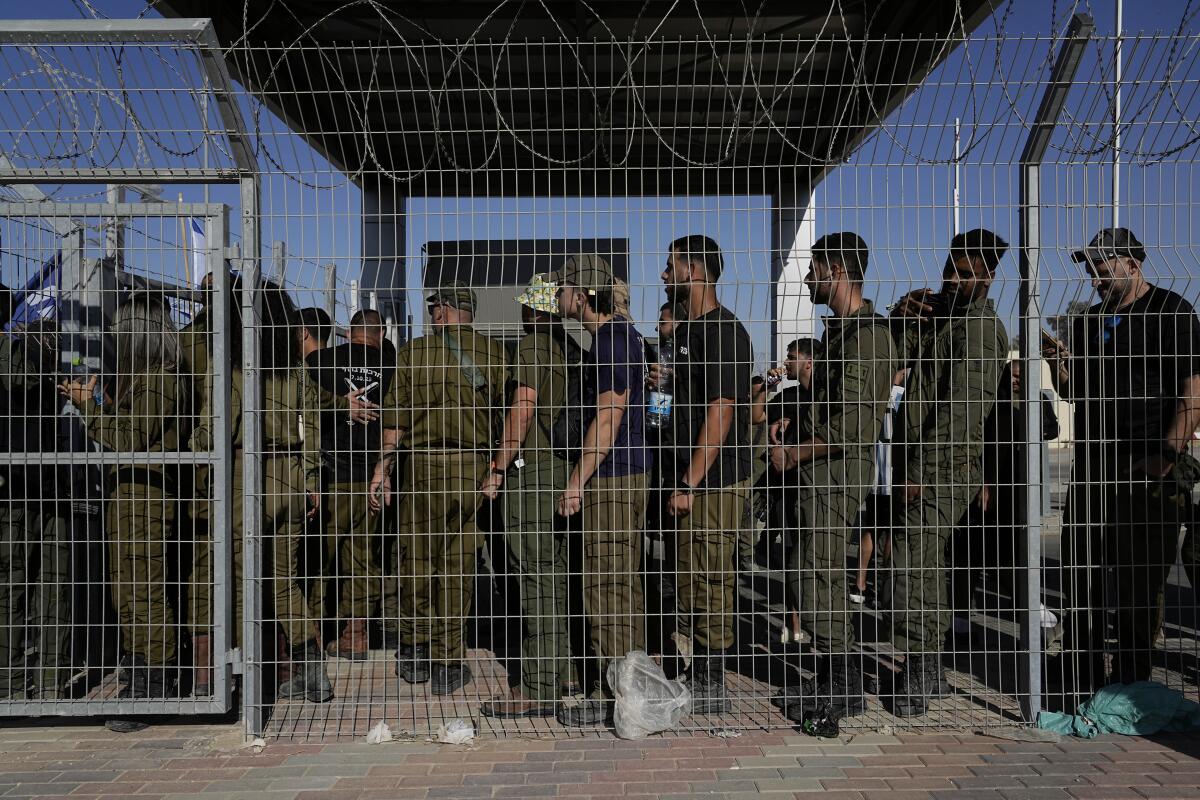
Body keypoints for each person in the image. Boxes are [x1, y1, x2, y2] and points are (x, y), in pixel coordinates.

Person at [1043, 228, 1200, 701]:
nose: (1093, 280)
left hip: (1147, 465)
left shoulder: (1172, 312)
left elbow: (1194, 389)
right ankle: (1081, 669)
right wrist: (1059, 367)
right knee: (1082, 569)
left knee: (1139, 579)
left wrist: (1166, 455)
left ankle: (1133, 680)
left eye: (1102, 269)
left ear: (1133, 265)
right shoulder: (1092, 321)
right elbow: (1077, 393)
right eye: (1090, 270)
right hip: (1094, 463)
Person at [768, 232, 897, 724]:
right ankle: (831, 675)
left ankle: (842, 686)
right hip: (818, 473)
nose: (807, 278)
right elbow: (829, 409)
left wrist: (793, 452)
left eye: (815, 268)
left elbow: (851, 425)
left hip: (832, 476)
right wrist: (795, 424)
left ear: (837, 271)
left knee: (819, 577)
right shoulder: (842, 333)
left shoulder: (864, 336)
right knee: (809, 573)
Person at [187, 280, 331, 702]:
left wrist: (193, 447)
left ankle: (244, 674)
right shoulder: (295, 366)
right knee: (283, 578)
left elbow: (219, 427)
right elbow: (313, 428)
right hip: (289, 472)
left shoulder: (231, 364)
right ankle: (314, 668)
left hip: (246, 471)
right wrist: (310, 480)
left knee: (239, 575)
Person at [887, 228, 1010, 717]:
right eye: (949, 271)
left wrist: (919, 470)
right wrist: (902, 313)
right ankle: (927, 667)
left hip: (943, 466)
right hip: (923, 462)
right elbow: (893, 356)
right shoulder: (944, 319)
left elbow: (961, 415)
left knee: (916, 564)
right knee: (924, 564)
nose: (953, 281)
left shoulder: (979, 330)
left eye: (964, 274)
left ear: (987, 278)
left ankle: (920, 668)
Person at [369, 280, 509, 696]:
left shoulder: (414, 352)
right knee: (458, 566)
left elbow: (394, 420)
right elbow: (505, 417)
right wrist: (494, 468)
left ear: (445, 310)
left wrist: (383, 469)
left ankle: (413, 650)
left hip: (423, 469)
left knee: (417, 559)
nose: (431, 315)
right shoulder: (496, 353)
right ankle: (450, 659)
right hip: (471, 468)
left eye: (434, 308)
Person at [60, 294, 186, 699]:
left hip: (146, 498)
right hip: (128, 495)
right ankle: (139, 667)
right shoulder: (145, 377)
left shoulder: (161, 378)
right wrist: (100, 402)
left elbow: (131, 439)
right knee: (125, 587)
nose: (116, 336)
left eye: (121, 329)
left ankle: (156, 680)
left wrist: (90, 410)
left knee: (143, 589)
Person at [550, 254, 649, 726]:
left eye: (565, 287)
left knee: (605, 586)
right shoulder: (620, 337)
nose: (559, 295)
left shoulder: (609, 341)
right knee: (621, 585)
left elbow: (607, 420)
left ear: (584, 296)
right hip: (625, 472)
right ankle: (626, 690)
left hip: (612, 476)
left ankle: (611, 697)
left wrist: (575, 482)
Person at [657, 235, 753, 715]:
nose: (663, 274)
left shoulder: (724, 332)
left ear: (695, 270)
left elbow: (721, 410)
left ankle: (712, 682)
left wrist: (689, 482)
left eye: (670, 265)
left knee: (711, 577)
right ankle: (699, 669)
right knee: (692, 578)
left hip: (712, 481)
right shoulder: (685, 334)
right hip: (690, 478)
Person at [479, 274, 578, 719]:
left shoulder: (534, 347)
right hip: (560, 471)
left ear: (533, 311)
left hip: (533, 473)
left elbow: (522, 409)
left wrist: (498, 467)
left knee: (534, 579)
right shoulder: (570, 349)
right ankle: (561, 673)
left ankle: (537, 688)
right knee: (554, 577)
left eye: (525, 305)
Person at [305, 308, 395, 661]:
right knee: (363, 560)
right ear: (381, 333)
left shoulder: (320, 362)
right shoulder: (392, 368)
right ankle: (355, 635)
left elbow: (304, 409)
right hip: (372, 475)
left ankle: (313, 636)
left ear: (348, 332)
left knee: (319, 559)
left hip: (329, 475)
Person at [949, 361, 1059, 628]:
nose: (1016, 381)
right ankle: (962, 616)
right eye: (1012, 376)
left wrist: (1038, 423)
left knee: (1012, 551)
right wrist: (984, 484)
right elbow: (984, 444)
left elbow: (1053, 429)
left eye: (1021, 376)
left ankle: (1030, 605)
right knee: (972, 553)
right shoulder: (992, 402)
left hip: (1020, 486)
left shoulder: (1037, 400)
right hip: (987, 488)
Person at [0, 320, 71, 699]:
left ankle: (8, 681)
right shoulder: (51, 375)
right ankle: (49, 684)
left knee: (10, 589)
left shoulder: (32, 370)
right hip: (46, 491)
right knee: (52, 590)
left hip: (14, 491)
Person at [759, 338, 819, 639]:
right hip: (788, 488)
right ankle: (793, 620)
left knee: (813, 558)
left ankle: (813, 623)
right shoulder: (791, 395)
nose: (786, 361)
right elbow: (756, 415)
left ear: (809, 362)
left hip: (817, 489)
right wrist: (768, 386)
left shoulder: (826, 398)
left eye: (792, 357)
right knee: (794, 555)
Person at [853, 368, 907, 608]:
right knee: (888, 533)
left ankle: (861, 584)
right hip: (891, 476)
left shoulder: (876, 395)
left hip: (880, 475)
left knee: (872, 530)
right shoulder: (899, 396)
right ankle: (882, 589)